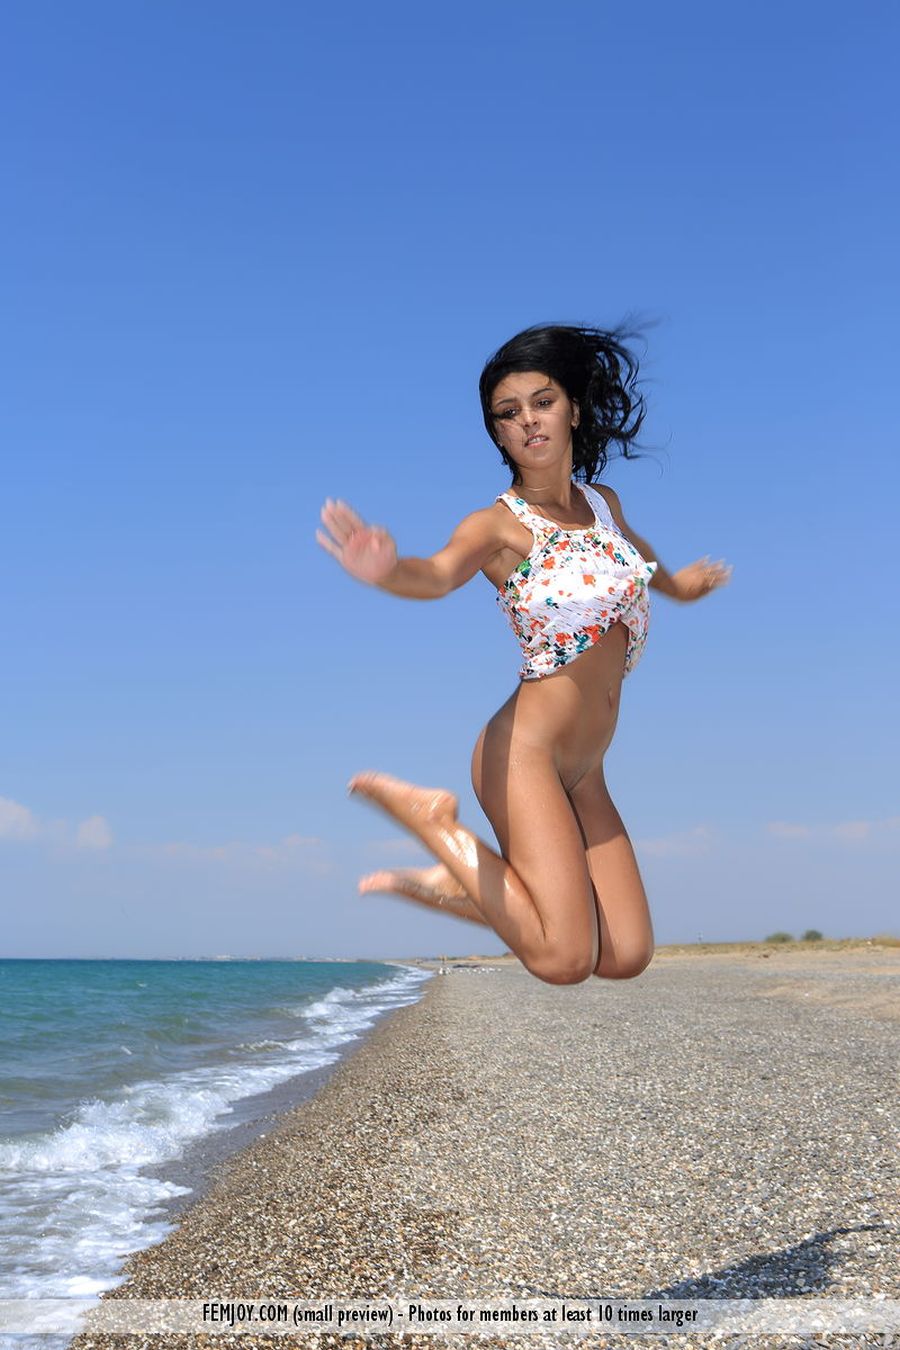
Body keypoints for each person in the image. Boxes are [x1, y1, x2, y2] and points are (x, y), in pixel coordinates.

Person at [316, 323, 731, 986]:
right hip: (525, 755)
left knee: (623, 955)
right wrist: (387, 571)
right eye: (508, 414)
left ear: (572, 407)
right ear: (498, 433)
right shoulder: (499, 525)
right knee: (564, 959)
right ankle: (434, 821)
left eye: (542, 401)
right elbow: (436, 573)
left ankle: (466, 884)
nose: (528, 421)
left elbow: (638, 560)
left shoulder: (603, 504)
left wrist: (684, 586)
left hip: (586, 767)